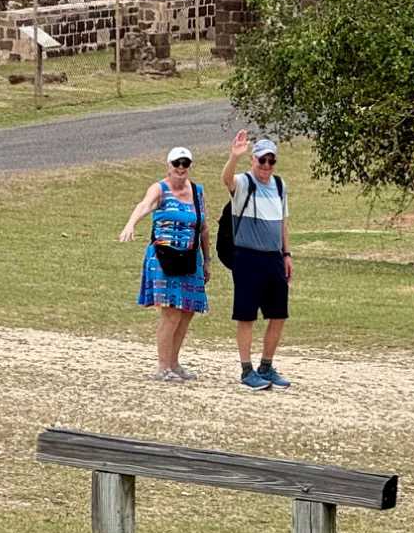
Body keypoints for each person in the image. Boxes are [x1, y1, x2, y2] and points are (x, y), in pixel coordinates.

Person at [119, 147, 210, 381]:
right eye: (176, 163)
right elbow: (144, 205)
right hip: (163, 256)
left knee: (187, 311)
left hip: (190, 257)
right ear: (168, 166)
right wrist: (131, 223)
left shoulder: (197, 192)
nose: (181, 168)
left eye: (185, 163)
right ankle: (162, 367)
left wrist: (207, 260)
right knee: (171, 312)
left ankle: (174, 363)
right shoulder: (159, 188)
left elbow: (203, 228)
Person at [221, 130, 292, 390]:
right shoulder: (244, 182)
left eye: (271, 161)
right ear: (254, 160)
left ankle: (266, 366)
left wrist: (287, 254)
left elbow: (283, 223)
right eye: (262, 160)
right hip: (247, 257)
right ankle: (246, 370)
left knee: (278, 314)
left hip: (274, 258)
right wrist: (234, 157)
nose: (266, 165)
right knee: (246, 315)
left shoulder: (280, 186)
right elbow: (226, 180)